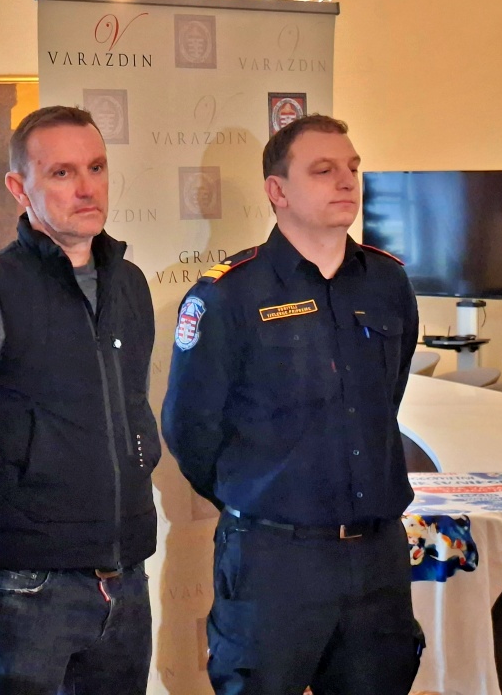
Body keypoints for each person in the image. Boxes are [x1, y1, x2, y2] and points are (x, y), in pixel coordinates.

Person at [162, 114, 424, 694]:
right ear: (277, 191)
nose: (347, 181)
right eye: (323, 170)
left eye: (352, 167)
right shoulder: (229, 293)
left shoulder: (388, 283)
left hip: (377, 558)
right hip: (274, 562)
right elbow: (189, 428)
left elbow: (388, 396)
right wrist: (259, 494)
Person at [0, 106, 160, 695]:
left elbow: (130, 409)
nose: (86, 188)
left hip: (125, 578)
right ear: (19, 188)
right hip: (26, 587)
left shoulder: (130, 285)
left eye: (96, 167)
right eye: (62, 173)